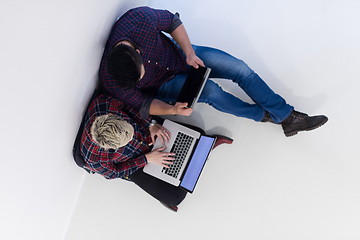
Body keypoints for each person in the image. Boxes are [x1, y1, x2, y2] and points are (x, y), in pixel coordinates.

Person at [99, 6, 328, 137]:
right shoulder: (113, 80)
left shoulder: (137, 20)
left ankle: (287, 117)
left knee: (239, 69)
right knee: (212, 93)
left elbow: (171, 22)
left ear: (136, 50)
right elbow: (144, 104)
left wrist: (188, 52)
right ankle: (264, 116)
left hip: (182, 55)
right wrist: (171, 108)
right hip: (164, 84)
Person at [80, 93, 231, 212]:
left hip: (146, 131)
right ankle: (201, 153)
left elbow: (131, 107)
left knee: (197, 134)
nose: (133, 138)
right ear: (109, 147)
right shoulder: (95, 159)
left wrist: (151, 124)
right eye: (128, 139)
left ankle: (202, 149)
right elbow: (112, 173)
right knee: (175, 198)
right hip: (136, 160)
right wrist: (146, 159)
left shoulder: (105, 103)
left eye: (129, 131)